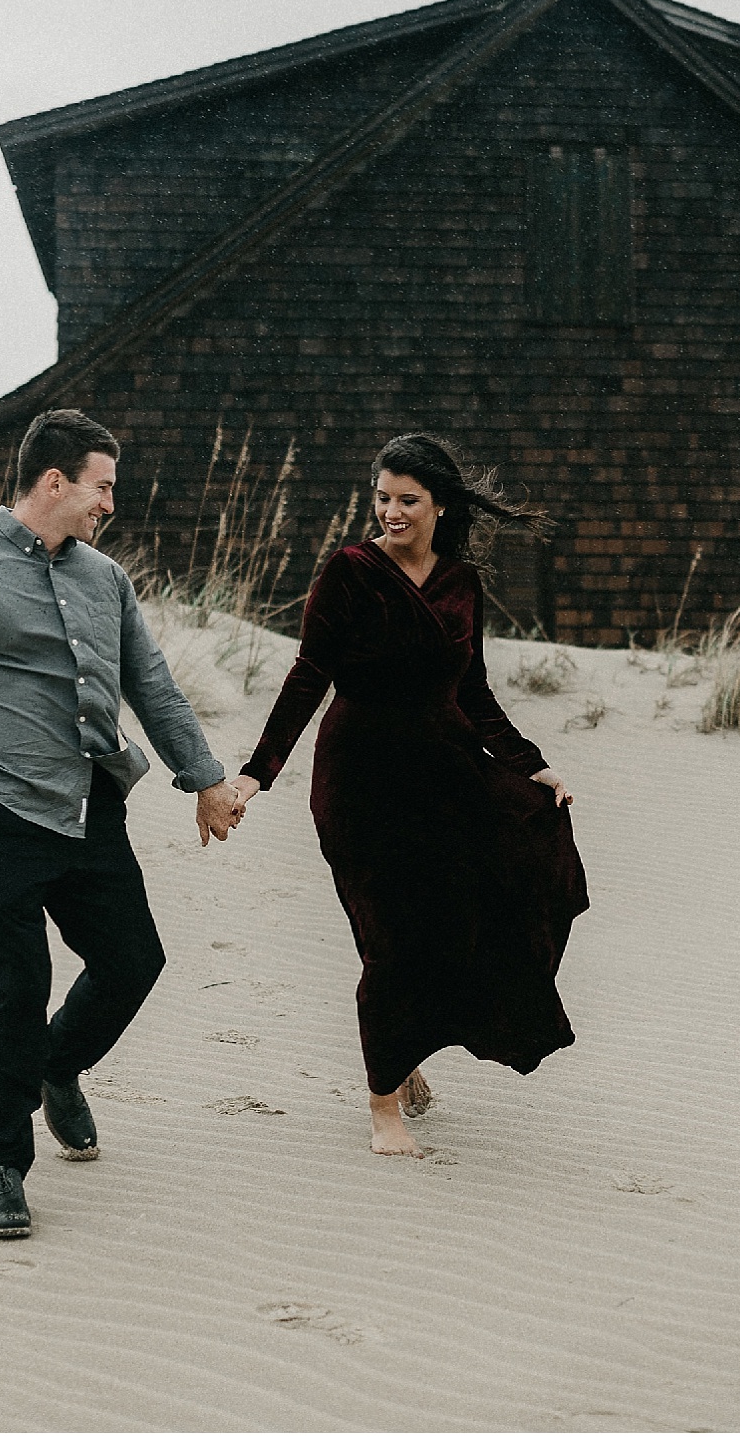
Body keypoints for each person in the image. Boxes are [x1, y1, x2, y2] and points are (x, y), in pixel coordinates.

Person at [0, 408, 247, 1238]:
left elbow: (152, 685)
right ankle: (2, 1166)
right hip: (0, 810)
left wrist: (203, 777)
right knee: (15, 989)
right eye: (103, 487)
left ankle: (58, 1067)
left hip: (93, 805)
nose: (109, 505)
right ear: (54, 480)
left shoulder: (105, 579)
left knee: (134, 959)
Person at [229, 433, 589, 1156]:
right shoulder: (351, 571)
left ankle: (405, 1050)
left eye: (406, 500)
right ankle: (383, 1108)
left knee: (449, 922)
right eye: (381, 499)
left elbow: (473, 689)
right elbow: (308, 676)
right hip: (358, 780)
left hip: (442, 777)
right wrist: (255, 773)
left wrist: (531, 762)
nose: (391, 512)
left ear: (439, 505)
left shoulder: (461, 584)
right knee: (387, 939)